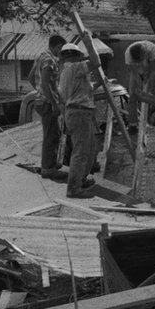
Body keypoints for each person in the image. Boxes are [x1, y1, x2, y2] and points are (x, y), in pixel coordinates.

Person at [57, 37, 100, 199]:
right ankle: (74, 188)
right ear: (77, 55)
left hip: (76, 112)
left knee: (88, 149)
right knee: (81, 152)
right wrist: (88, 41)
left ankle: (80, 180)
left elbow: (83, 91)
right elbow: (96, 61)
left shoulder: (66, 72)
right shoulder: (76, 67)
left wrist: (102, 84)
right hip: (79, 113)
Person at [29, 34, 66, 181]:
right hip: (47, 103)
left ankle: (50, 163)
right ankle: (48, 169)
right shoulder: (49, 60)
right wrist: (54, 103)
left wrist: (38, 92)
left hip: (41, 100)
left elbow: (31, 77)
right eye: (61, 49)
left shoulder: (40, 56)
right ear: (57, 46)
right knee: (50, 136)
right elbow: (45, 84)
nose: (61, 52)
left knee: (54, 133)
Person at [124, 40, 155, 129]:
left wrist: (149, 86)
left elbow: (154, 71)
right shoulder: (128, 54)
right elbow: (135, 74)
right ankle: (133, 124)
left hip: (151, 69)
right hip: (136, 71)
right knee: (132, 95)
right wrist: (142, 89)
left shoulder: (152, 49)